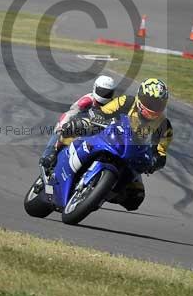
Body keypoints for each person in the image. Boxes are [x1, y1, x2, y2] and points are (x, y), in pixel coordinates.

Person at [60, 77, 173, 211]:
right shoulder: (126, 101)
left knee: (136, 197)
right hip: (108, 138)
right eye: (150, 102)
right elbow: (103, 112)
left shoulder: (164, 126)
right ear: (140, 97)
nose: (153, 107)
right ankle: (55, 154)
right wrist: (94, 120)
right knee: (74, 129)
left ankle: (99, 194)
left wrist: (154, 162)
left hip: (132, 156)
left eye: (158, 104)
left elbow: (161, 153)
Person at [38, 75, 117, 171]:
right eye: (102, 91)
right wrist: (63, 126)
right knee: (61, 130)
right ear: (95, 88)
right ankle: (49, 155)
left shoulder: (114, 105)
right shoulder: (87, 100)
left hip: (98, 134)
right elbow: (70, 114)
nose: (104, 95)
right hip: (80, 128)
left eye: (108, 93)